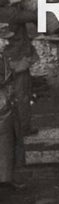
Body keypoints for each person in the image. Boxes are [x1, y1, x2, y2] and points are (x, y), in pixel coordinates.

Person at [0, 0, 39, 138]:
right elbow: (33, 16)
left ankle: (7, 127)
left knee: (5, 94)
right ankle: (23, 128)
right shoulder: (11, 13)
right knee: (22, 95)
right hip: (18, 59)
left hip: (3, 59)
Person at [0, 24, 23, 190]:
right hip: (2, 106)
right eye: (3, 39)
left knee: (8, 143)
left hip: (5, 105)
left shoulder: (3, 56)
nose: (7, 43)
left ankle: (5, 178)